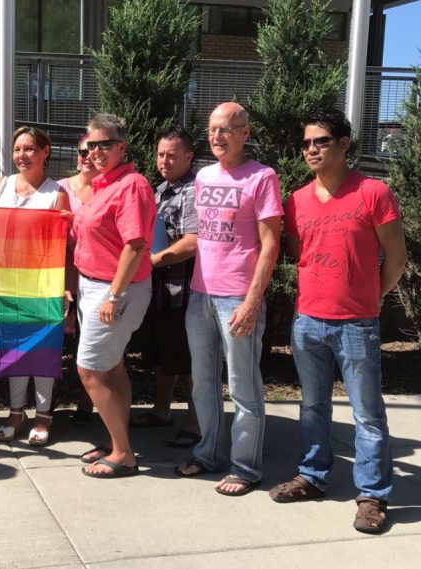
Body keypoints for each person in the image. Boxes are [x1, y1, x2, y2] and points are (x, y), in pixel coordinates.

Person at [270, 108, 407, 534]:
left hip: (357, 324)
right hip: (307, 320)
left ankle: (372, 497)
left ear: (344, 144)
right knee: (312, 407)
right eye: (307, 142)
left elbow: (397, 258)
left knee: (367, 413)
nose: (311, 149)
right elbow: (300, 254)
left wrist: (372, 297)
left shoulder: (373, 193)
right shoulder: (296, 200)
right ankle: (312, 476)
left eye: (321, 141)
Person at [175, 102, 282, 497]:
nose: (218, 136)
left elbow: (271, 242)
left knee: (242, 386)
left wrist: (253, 301)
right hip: (201, 294)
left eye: (227, 129)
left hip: (237, 295)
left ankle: (245, 467)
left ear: (244, 133)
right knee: (202, 384)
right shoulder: (203, 176)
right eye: (213, 129)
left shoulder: (262, 177)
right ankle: (208, 453)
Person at [73, 113, 155, 478]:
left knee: (89, 370)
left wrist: (112, 296)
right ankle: (117, 441)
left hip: (114, 290)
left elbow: (135, 246)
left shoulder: (131, 185)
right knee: (112, 368)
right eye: (92, 145)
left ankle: (123, 454)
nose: (96, 151)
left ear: (122, 146)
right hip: (94, 286)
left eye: (105, 144)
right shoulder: (105, 183)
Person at [0, 126, 70, 446]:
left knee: (42, 351)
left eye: (30, 149)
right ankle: (16, 412)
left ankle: (44, 417)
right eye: (18, 149)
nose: (22, 155)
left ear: (46, 152)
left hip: (42, 285)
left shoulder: (56, 193)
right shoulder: (0, 186)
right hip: (4, 286)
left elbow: (65, 245)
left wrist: (64, 286)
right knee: (14, 351)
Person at [129, 128, 200, 449]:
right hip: (155, 289)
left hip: (182, 290)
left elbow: (192, 241)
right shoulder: (158, 191)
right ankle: (161, 410)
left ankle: (196, 421)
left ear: (188, 157)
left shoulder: (194, 191)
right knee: (161, 354)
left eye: (172, 154)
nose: (164, 160)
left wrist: (154, 260)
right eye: (160, 154)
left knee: (188, 359)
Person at [56, 134, 98, 426]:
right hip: (58, 275)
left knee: (90, 343)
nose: (86, 156)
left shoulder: (108, 190)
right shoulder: (59, 188)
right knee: (54, 344)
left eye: (92, 151)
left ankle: (86, 408)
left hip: (95, 276)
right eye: (81, 151)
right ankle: (50, 407)